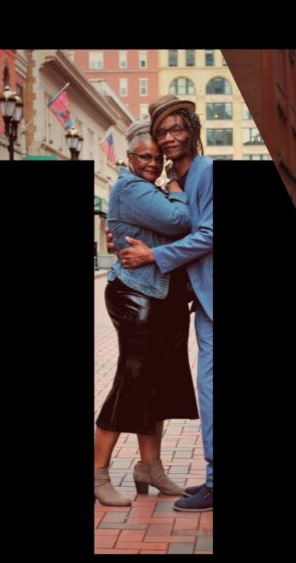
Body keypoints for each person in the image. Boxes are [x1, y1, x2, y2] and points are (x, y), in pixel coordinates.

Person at [95, 119, 199, 506]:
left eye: (157, 157)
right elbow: (179, 221)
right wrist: (174, 187)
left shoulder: (148, 188)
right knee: (132, 382)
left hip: (162, 296)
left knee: (158, 386)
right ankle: (98, 473)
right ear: (130, 157)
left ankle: (150, 469)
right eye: (146, 156)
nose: (153, 163)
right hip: (136, 293)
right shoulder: (130, 186)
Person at [118, 95, 214, 512]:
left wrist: (153, 256)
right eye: (162, 133)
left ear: (192, 130)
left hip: (211, 292)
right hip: (201, 299)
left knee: (209, 388)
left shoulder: (206, 171)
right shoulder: (176, 175)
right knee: (207, 387)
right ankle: (212, 478)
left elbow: (209, 233)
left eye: (177, 129)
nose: (170, 138)